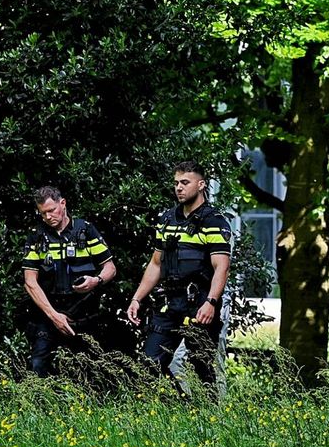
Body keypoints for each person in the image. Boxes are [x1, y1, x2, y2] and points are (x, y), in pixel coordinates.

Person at [126, 161, 232, 393]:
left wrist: (211, 302)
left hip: (200, 303)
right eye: (176, 183)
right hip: (170, 303)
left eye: (185, 182)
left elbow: (222, 268)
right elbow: (156, 264)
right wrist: (136, 299)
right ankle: (182, 404)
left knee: (201, 369)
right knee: (149, 364)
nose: (179, 188)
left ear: (201, 185)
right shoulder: (167, 219)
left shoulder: (213, 221)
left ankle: (206, 411)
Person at [22, 186, 118, 377]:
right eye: (43, 213)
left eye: (52, 210)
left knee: (88, 371)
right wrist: (54, 317)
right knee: (38, 366)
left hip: (83, 313)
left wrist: (96, 280)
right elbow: (29, 282)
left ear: (63, 203)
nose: (48, 217)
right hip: (49, 313)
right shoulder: (36, 236)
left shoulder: (85, 230)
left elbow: (110, 268)